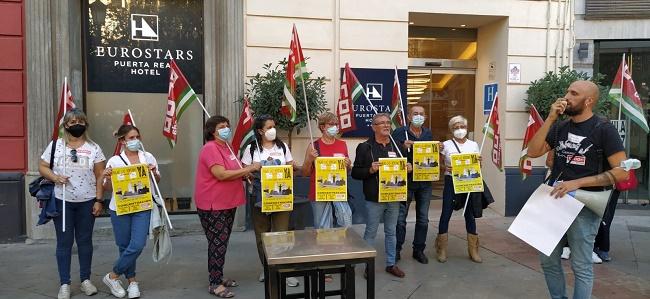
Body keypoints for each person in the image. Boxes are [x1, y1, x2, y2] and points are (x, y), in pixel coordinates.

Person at [527, 80, 628, 299]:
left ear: (589, 100)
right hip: (554, 200)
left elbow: (623, 171)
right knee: (547, 259)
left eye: (574, 93)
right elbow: (533, 152)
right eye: (567, 91)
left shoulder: (604, 129)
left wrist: (578, 183)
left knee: (581, 264)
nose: (567, 96)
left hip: (585, 203)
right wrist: (551, 117)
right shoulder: (560, 127)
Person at [38, 108, 106, 299]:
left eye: (80, 121)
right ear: (66, 125)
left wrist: (99, 200)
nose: (76, 124)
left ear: (85, 124)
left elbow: (100, 175)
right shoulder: (55, 146)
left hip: (87, 201)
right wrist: (55, 177)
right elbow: (42, 166)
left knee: (85, 242)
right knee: (64, 243)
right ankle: (65, 284)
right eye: (72, 121)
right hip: (63, 201)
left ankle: (85, 280)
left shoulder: (94, 148)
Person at [194, 115, 261, 298]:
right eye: (222, 126)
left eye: (227, 126)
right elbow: (221, 174)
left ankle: (218, 276)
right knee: (218, 243)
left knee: (220, 242)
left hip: (228, 202)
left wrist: (243, 175)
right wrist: (250, 169)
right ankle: (214, 283)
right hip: (213, 203)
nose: (227, 129)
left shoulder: (228, 147)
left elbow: (233, 171)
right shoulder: (210, 149)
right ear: (212, 131)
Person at [101, 124, 161, 298]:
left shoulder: (147, 157)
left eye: (137, 137)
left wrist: (154, 172)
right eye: (131, 138)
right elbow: (109, 188)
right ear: (122, 141)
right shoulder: (114, 161)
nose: (135, 141)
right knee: (124, 246)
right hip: (120, 207)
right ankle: (132, 282)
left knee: (137, 244)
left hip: (142, 206)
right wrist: (106, 177)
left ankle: (112, 276)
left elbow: (157, 180)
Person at [241, 114, 300, 287]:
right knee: (262, 234)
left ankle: (285, 271)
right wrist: (251, 173)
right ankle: (267, 268)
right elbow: (245, 170)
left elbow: (290, 165)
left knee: (282, 233)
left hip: (281, 196)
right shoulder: (251, 149)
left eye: (274, 126)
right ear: (260, 131)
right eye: (269, 127)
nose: (272, 130)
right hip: (259, 197)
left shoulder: (282, 146)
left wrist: (293, 167)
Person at [352, 113, 411, 278]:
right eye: (381, 123)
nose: (386, 125)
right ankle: (367, 266)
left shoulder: (397, 146)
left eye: (387, 123)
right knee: (371, 231)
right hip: (375, 198)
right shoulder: (365, 147)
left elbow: (405, 168)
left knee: (391, 232)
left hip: (393, 196)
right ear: (373, 127)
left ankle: (391, 264)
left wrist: (408, 168)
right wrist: (370, 170)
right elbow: (356, 172)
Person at [436, 115, 483, 263]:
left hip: (469, 182)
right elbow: (439, 164)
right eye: (455, 127)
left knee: (470, 214)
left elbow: (478, 166)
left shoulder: (474, 145)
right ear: (451, 130)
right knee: (446, 213)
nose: (459, 129)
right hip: (451, 181)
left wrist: (480, 163)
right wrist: (445, 167)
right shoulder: (446, 145)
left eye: (461, 126)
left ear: (466, 128)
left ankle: (473, 250)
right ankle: (441, 248)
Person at [392, 105, 435, 264]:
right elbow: (391, 154)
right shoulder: (399, 132)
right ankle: (396, 250)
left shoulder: (428, 133)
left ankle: (419, 250)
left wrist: (438, 149)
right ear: (408, 117)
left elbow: (431, 155)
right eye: (415, 114)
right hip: (406, 182)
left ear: (425, 117)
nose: (418, 116)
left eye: (421, 114)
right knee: (400, 219)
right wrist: (403, 148)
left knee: (423, 219)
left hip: (425, 182)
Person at [302, 112, 353, 229]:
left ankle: (340, 247)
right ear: (322, 127)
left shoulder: (342, 144)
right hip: (319, 192)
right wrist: (309, 159)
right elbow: (305, 173)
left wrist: (348, 165)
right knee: (322, 228)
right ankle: (323, 248)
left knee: (345, 223)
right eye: (331, 124)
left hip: (338, 191)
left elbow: (347, 171)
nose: (335, 127)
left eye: (336, 124)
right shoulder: (314, 146)